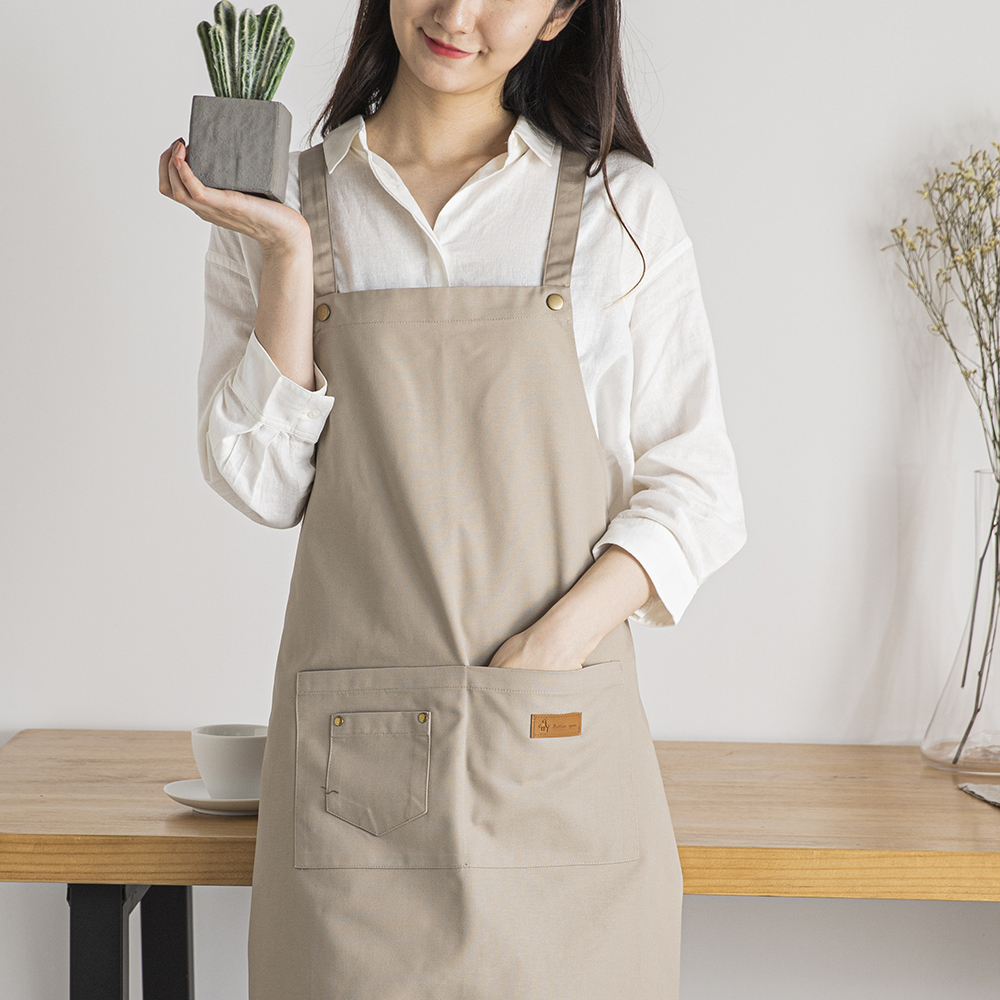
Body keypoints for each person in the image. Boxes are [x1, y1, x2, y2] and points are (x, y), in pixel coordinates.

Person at [159, 0, 746, 996]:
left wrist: (542, 655)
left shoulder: (616, 211)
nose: (457, 14)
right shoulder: (283, 205)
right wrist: (290, 257)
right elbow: (263, 484)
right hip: (358, 805)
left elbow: (697, 490)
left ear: (560, 15)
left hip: (557, 761)